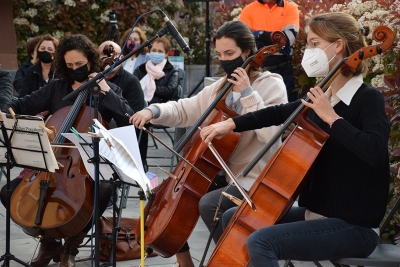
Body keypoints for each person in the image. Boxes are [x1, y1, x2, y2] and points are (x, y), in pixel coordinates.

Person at [200, 12, 389, 266]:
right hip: (317, 215)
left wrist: (333, 119)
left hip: (355, 227)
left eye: (314, 44)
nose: (307, 52)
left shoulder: (367, 99)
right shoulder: (324, 95)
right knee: (234, 216)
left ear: (338, 45)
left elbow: (376, 152)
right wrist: (232, 123)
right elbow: (278, 113)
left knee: (261, 241)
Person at [130, 21, 288, 267]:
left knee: (209, 203)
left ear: (247, 52)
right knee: (167, 198)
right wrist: (154, 110)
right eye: (220, 55)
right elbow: (186, 108)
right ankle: (187, 262)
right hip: (223, 173)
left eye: (230, 54)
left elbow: (272, 135)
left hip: (254, 179)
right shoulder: (220, 87)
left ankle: (235, 259)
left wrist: (247, 93)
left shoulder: (271, 84)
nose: (224, 60)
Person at [0, 33, 133, 267]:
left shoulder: (105, 88)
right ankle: (49, 244)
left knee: (102, 190)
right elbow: (20, 105)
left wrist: (106, 91)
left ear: (91, 61)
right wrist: (3, 112)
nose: (75, 69)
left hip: (87, 164)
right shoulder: (56, 88)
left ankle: (72, 245)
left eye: (79, 65)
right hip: (53, 159)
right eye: (70, 65)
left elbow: (128, 117)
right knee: (7, 192)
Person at [98, 40, 147, 170]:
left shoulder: (131, 81)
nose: (110, 59)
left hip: (121, 140)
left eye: (115, 55)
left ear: (122, 58)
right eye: (104, 56)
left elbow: (134, 119)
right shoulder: (92, 78)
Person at [133, 36, 180, 171]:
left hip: (162, 109)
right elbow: (134, 89)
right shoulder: (141, 69)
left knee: (140, 121)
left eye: (160, 51)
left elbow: (170, 91)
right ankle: (137, 160)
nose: (156, 53)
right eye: (154, 50)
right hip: (142, 108)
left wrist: (148, 88)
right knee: (135, 118)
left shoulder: (172, 70)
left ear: (166, 53)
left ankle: (141, 162)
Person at [240, 0, 299, 102]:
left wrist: (259, 34)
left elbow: (290, 37)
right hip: (257, 69)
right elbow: (244, 41)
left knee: (288, 107)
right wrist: (278, 41)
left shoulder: (290, 7)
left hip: (283, 68)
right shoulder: (248, 10)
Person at [19, 34, 59, 98]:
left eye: (50, 49)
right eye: (43, 48)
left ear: (56, 53)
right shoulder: (31, 71)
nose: (46, 51)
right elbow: (23, 96)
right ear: (37, 51)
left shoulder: (61, 71)